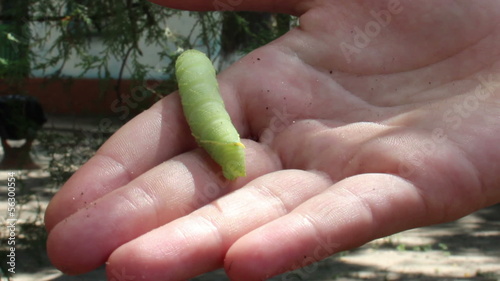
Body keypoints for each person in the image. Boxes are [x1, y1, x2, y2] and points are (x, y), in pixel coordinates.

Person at [44, 1, 500, 280]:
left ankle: (228, 156)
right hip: (228, 143)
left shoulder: (194, 67)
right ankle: (228, 155)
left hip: (227, 141)